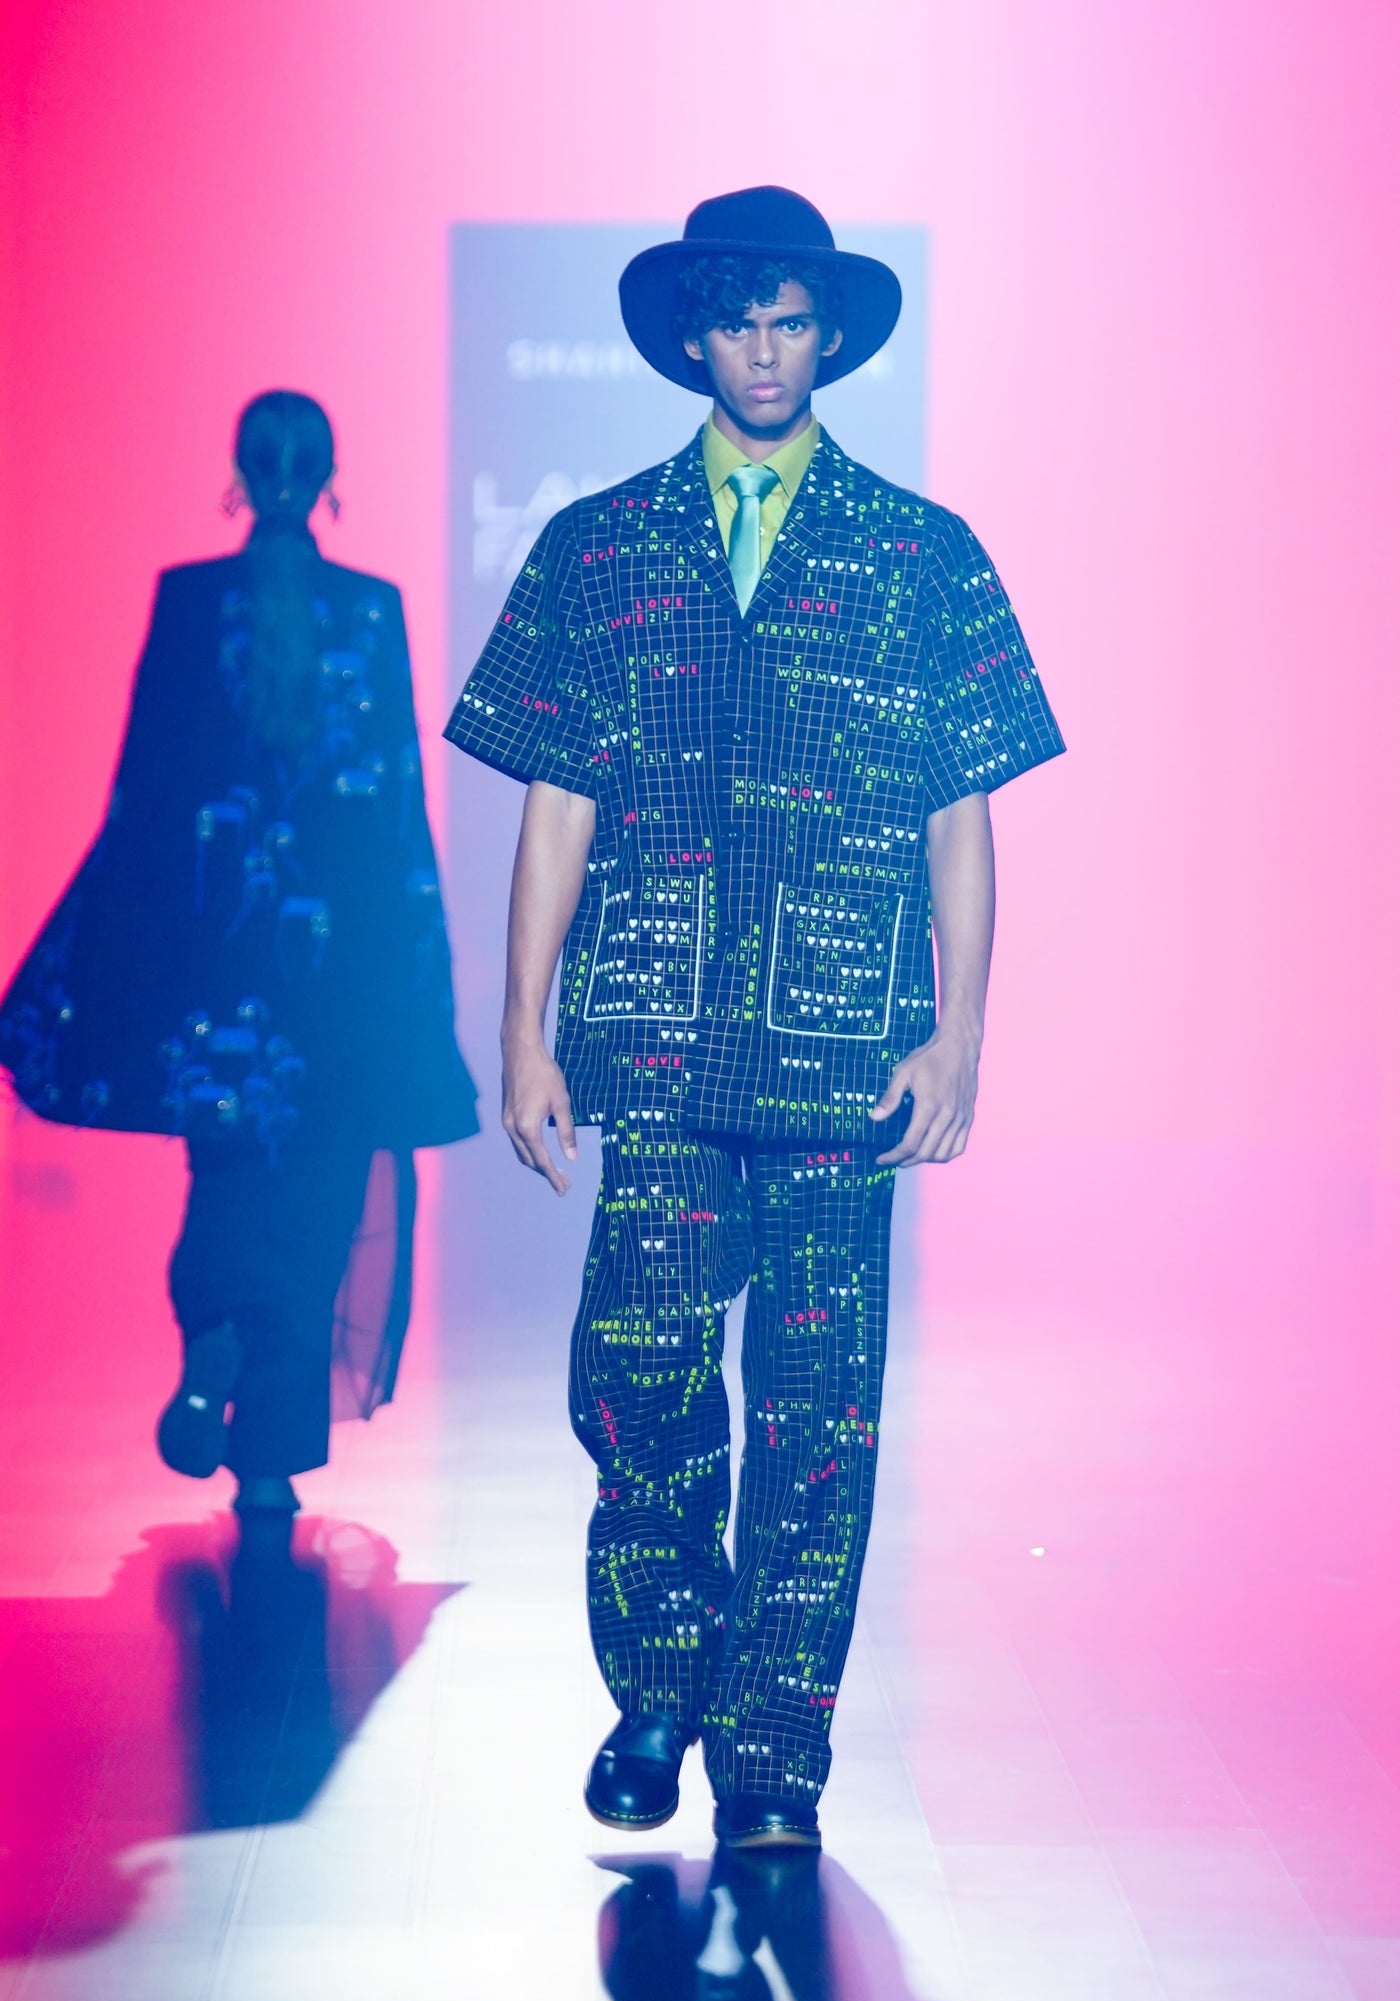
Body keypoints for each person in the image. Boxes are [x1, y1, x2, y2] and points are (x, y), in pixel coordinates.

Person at [446, 187, 1064, 1849]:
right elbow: (557, 801)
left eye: (791, 321)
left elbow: (961, 812)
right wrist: (522, 1033)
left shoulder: (922, 555)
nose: (766, 351)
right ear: (695, 338)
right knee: (635, 1373)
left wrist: (960, 1034)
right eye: (739, 322)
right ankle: (663, 1680)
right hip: (654, 1039)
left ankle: (771, 1757)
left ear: (830, 336)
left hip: (843, 1052)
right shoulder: (599, 548)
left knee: (817, 1413)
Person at [1, 391, 477, 1516]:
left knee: (223, 1173)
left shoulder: (188, 601)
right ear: (327, 480)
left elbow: (145, 800)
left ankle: (212, 1330)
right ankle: (265, 1463)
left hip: (216, 974)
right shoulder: (370, 610)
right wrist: (418, 978)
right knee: (318, 1196)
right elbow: (391, 812)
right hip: (339, 973)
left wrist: (98, 962)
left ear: (241, 475)